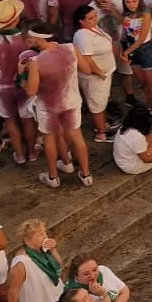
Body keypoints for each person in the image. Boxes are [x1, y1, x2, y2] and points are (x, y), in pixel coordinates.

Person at [19, 22, 91, 188]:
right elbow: (86, 69)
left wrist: (20, 76)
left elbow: (31, 91)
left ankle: (53, 177)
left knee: (49, 138)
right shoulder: (71, 48)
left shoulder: (36, 62)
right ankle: (86, 175)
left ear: (38, 38)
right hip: (71, 101)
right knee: (77, 137)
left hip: (48, 107)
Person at [7, 219, 63, 302]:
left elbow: (59, 264)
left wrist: (53, 249)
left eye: (44, 233)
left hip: (55, 297)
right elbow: (13, 290)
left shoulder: (44, 251)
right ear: (27, 239)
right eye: (39, 235)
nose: (44, 237)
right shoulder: (21, 263)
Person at [70, 4, 117, 141]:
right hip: (95, 77)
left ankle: (102, 124)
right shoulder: (83, 36)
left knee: (101, 101)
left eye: (95, 16)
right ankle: (101, 133)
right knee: (97, 103)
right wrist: (98, 72)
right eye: (91, 18)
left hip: (105, 72)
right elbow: (86, 58)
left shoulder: (92, 28)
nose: (95, 19)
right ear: (81, 21)